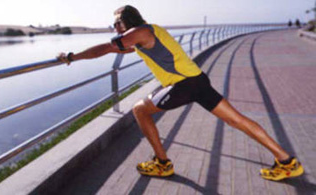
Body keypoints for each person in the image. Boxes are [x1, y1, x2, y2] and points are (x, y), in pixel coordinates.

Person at [57, 5, 304, 181]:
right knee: (236, 119)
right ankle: (287, 161)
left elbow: (106, 48)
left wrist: (71, 57)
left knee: (139, 110)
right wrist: (112, 46)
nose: (114, 27)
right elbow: (118, 50)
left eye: (117, 23)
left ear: (128, 21)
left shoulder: (139, 32)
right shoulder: (147, 32)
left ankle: (162, 163)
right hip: (196, 79)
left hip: (183, 84)